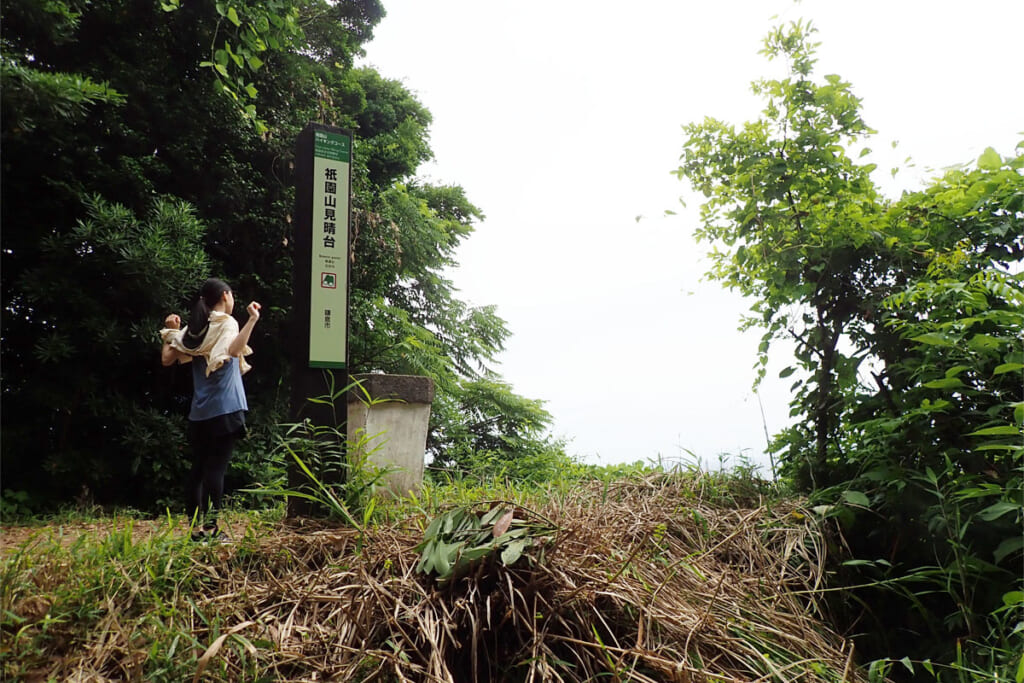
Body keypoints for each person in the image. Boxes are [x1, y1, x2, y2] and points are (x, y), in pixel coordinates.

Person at [160, 278, 261, 542]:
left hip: (199, 413)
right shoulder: (226, 323)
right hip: (226, 410)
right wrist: (251, 320)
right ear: (226, 295)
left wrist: (171, 331)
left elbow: (167, 358)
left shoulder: (196, 328)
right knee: (215, 470)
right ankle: (212, 530)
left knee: (198, 470)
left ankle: (196, 531)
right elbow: (233, 349)